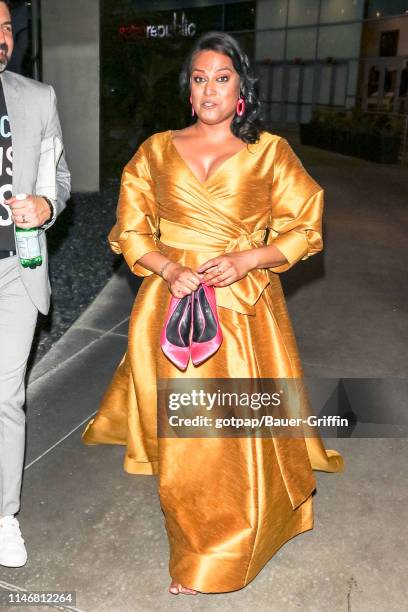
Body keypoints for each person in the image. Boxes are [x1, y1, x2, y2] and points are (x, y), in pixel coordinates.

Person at [82, 31, 343, 595]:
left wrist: (251, 257)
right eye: (199, 78)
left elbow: (305, 227)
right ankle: (201, 551)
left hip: (244, 311)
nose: (209, 89)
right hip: (171, 308)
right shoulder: (154, 151)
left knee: (243, 435)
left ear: (241, 89)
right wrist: (168, 268)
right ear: (188, 89)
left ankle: (260, 525)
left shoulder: (269, 152)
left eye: (221, 78)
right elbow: (130, 231)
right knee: (190, 440)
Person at [0, 0, 70, 567]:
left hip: (13, 272)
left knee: (5, 397)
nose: (3, 38)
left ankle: (3, 517)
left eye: (6, 27)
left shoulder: (36, 98)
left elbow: (59, 176)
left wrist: (46, 203)